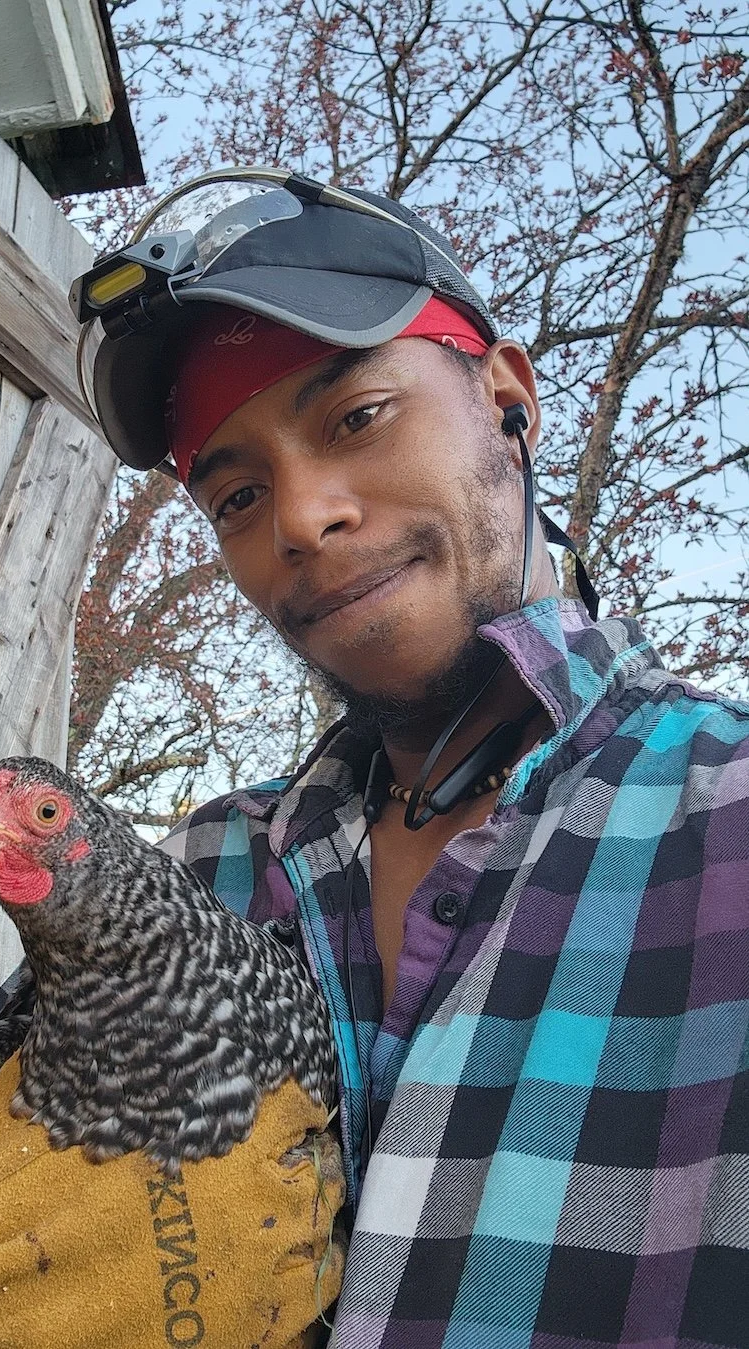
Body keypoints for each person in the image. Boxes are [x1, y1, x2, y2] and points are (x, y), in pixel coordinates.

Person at [80, 169, 749, 1347]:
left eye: (355, 417)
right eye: (235, 492)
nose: (300, 517)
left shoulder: (728, 822)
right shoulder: (189, 878)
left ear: (506, 396)